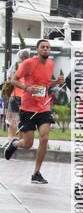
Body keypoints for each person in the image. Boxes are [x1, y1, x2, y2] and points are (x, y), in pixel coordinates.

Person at [3, 40, 64, 183]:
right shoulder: (28, 63)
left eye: (48, 48)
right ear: (37, 50)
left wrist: (55, 82)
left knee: (44, 138)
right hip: (28, 108)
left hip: (43, 107)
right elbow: (14, 80)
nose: (46, 50)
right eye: (43, 47)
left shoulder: (50, 64)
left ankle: (36, 173)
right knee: (28, 143)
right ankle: (14, 144)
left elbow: (45, 83)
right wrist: (27, 88)